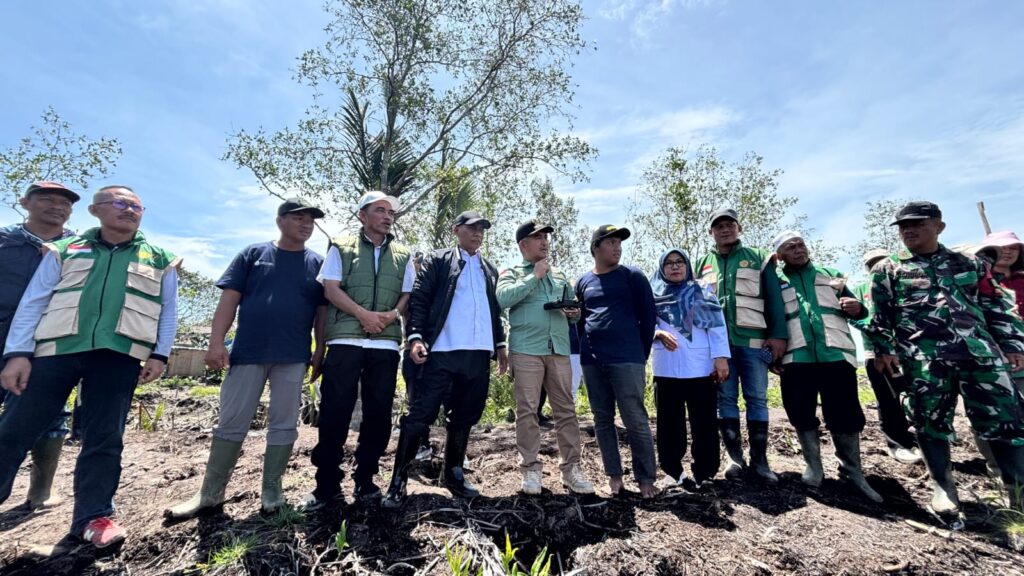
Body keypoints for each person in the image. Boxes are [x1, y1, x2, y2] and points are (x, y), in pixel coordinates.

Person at [0, 185, 179, 548]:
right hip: (55, 351)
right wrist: (18, 353)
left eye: (136, 206)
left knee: (105, 437)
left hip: (119, 355)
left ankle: (94, 517)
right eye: (120, 203)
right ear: (96, 211)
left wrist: (159, 354)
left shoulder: (161, 259)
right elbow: (34, 301)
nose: (129, 210)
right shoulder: (64, 250)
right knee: (15, 429)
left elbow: (168, 310)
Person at [165, 197, 328, 519]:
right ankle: (210, 493)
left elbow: (322, 313)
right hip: (248, 353)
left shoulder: (318, 264)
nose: (306, 224)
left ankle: (272, 491)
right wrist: (215, 343)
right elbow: (229, 300)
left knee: (284, 423)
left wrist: (320, 349)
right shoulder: (253, 255)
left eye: (310, 220)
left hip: (293, 356)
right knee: (232, 421)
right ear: (280, 221)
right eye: (298, 218)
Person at [869, 201, 1024, 516]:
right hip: (924, 360)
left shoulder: (971, 264)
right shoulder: (888, 269)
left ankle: (1017, 491)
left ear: (939, 227)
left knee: (1005, 420)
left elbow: (994, 305)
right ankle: (943, 487)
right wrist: (883, 350)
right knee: (929, 422)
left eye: (917, 224)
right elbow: (880, 317)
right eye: (903, 226)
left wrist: (1011, 343)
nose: (908, 230)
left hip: (980, 356)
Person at [382, 211, 508, 508]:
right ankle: (398, 481)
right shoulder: (439, 261)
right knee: (420, 415)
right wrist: (415, 337)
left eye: (482, 229)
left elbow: (494, 311)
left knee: (465, 415)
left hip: (477, 355)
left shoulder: (489, 269)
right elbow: (420, 299)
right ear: (456, 230)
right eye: (471, 228)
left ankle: (454, 475)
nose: (477, 233)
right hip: (441, 352)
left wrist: (500, 344)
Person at [304, 191, 413, 507]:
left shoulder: (403, 254)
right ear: (362, 216)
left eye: (390, 212)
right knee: (335, 411)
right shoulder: (340, 247)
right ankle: (326, 485)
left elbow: (407, 294)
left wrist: (391, 316)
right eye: (380, 210)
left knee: (379, 414)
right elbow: (330, 289)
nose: (387, 216)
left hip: (385, 343)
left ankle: (366, 479)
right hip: (345, 341)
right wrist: (362, 314)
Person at [772, 231, 882, 502]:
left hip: (835, 353)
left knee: (845, 413)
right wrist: (771, 356)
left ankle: (852, 471)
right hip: (796, 357)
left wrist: (858, 308)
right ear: (780, 256)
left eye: (800, 244)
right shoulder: (775, 282)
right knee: (799, 411)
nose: (798, 250)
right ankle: (814, 466)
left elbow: (859, 311)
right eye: (790, 247)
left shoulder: (831, 275)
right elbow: (770, 319)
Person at [496, 219, 594, 496]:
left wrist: (574, 313)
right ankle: (530, 469)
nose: (544, 242)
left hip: (559, 348)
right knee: (528, 410)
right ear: (523, 244)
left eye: (545, 238)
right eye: (538, 237)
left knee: (566, 409)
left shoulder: (559, 275)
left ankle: (571, 469)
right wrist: (534, 276)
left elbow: (573, 310)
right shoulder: (512, 273)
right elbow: (502, 300)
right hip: (526, 349)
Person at [0, 182, 80, 510]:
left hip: (47, 340)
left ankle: (41, 490)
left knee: (51, 412)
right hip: (3, 331)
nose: (57, 207)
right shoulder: (5, 240)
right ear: (25, 203)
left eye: (65, 203)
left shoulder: (78, 247)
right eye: (46, 199)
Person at [694, 209, 787, 483]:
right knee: (725, 399)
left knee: (757, 398)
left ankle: (760, 461)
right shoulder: (701, 264)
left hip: (753, 342)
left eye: (729, 225)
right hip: (718, 348)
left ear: (739, 228)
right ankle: (734, 458)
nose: (725, 230)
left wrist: (778, 335)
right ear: (711, 232)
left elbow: (774, 298)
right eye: (719, 226)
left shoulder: (759, 257)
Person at [575, 225, 658, 498]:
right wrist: (584, 349)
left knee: (635, 418)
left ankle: (646, 479)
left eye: (619, 242)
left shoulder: (632, 276)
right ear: (595, 248)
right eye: (610, 242)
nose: (617, 247)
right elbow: (579, 320)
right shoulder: (583, 282)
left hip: (627, 359)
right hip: (592, 361)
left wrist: (640, 354)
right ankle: (614, 478)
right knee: (602, 419)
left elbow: (648, 317)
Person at [650, 248, 729, 490]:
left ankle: (705, 472)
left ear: (687, 266)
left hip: (700, 367)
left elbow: (717, 326)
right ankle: (672, 471)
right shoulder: (652, 293)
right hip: (667, 368)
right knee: (669, 423)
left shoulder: (702, 290)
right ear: (662, 268)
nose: (675, 267)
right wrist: (657, 333)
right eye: (669, 263)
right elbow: (643, 322)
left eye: (680, 262)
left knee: (704, 422)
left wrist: (720, 357)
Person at [849, 249, 922, 465]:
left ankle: (925, 441)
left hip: (913, 351)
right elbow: (854, 317)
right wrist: (878, 335)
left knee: (921, 396)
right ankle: (898, 444)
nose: (878, 266)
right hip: (877, 353)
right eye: (872, 263)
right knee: (888, 400)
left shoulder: (907, 282)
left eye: (882, 261)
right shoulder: (861, 290)